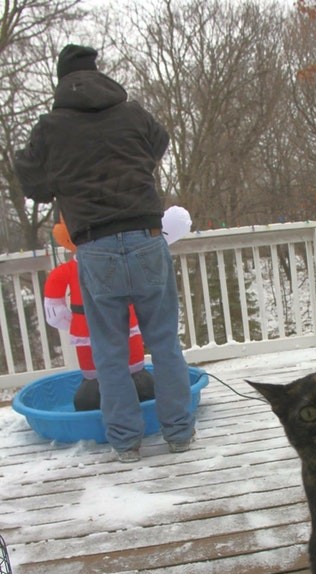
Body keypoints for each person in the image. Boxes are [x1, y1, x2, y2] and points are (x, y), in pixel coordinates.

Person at [15, 43, 195, 462]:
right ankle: (179, 434)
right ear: (97, 72)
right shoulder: (132, 112)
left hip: (94, 247)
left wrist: (52, 185)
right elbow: (160, 140)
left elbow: (30, 178)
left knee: (109, 352)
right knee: (165, 343)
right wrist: (136, 166)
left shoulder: (50, 127)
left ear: (62, 79)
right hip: (147, 237)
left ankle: (126, 443)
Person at [46, 215, 154, 411]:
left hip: (117, 321)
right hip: (89, 326)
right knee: (95, 379)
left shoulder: (122, 260)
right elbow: (54, 308)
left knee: (134, 373)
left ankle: (133, 394)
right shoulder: (67, 271)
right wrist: (72, 321)